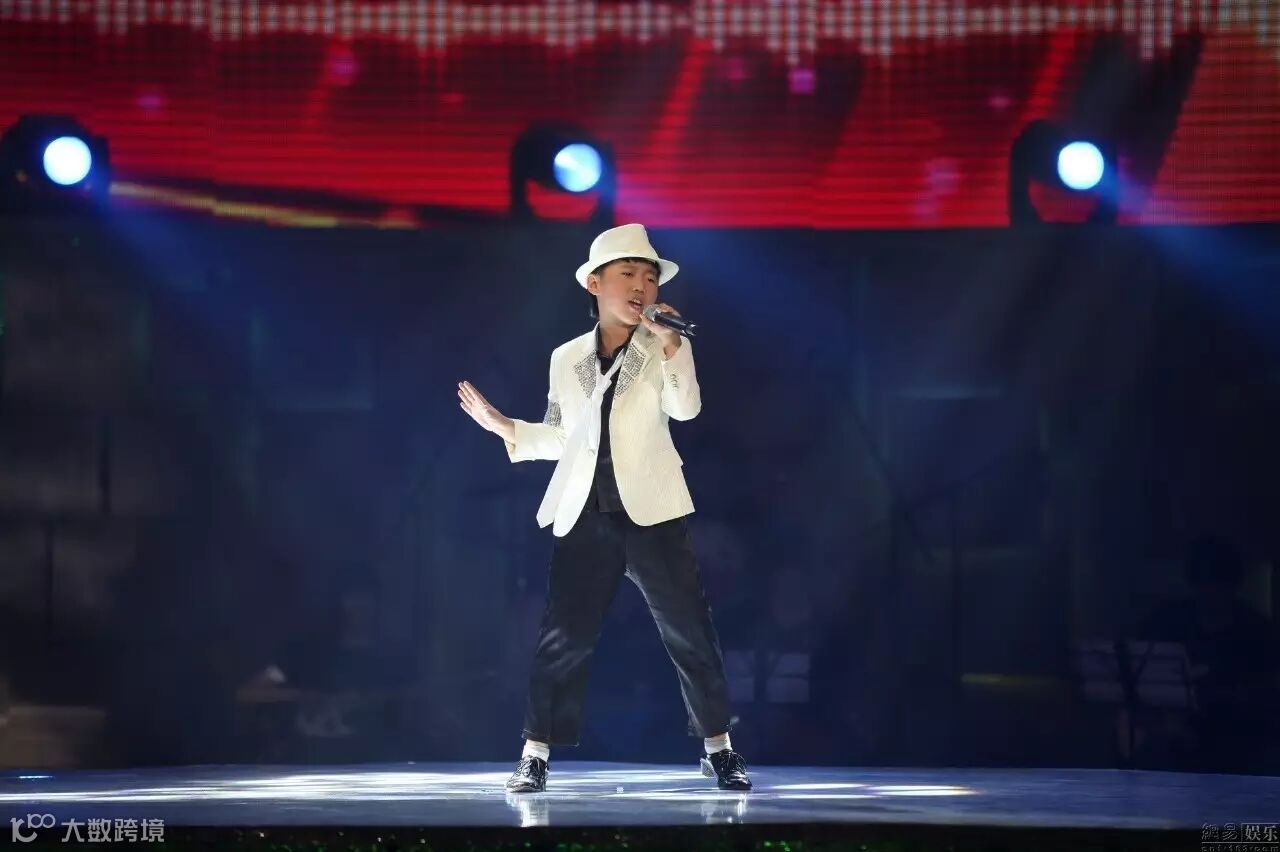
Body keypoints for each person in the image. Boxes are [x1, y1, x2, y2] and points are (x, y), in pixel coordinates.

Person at [457, 224, 751, 793]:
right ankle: (534, 754)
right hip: (586, 512)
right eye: (628, 273)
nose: (641, 286)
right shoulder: (566, 358)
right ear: (595, 283)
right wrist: (506, 428)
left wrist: (671, 346)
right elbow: (562, 435)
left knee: (689, 631)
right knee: (562, 637)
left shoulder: (665, 345)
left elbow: (686, 409)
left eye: (650, 277)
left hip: (653, 510)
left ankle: (720, 748)